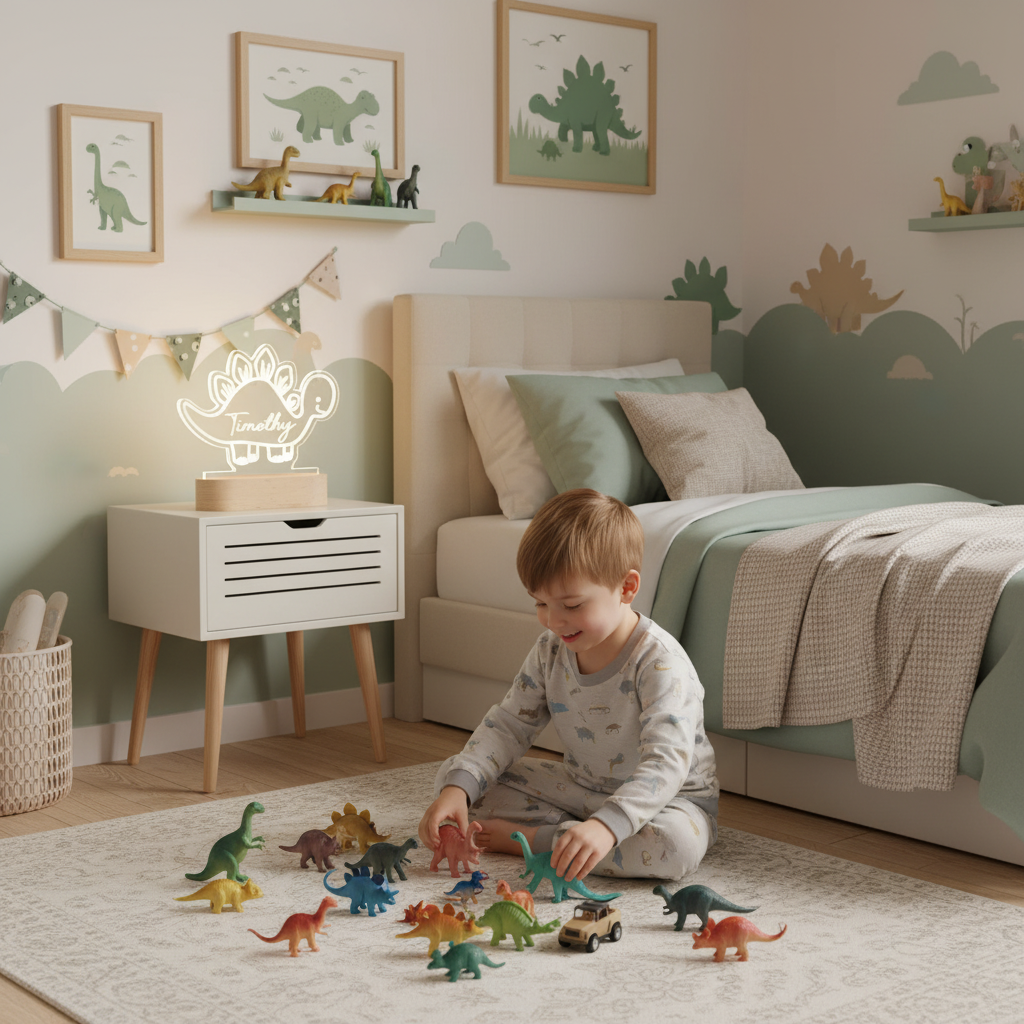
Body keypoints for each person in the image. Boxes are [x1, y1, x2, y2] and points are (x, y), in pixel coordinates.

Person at [418, 488, 718, 884]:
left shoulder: (661, 663)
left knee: (674, 848)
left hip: (669, 802)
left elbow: (666, 764)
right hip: (581, 789)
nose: (553, 621)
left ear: (627, 588)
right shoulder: (550, 649)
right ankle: (576, 836)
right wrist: (457, 791)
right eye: (540, 603)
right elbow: (509, 725)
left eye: (572, 605)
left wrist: (607, 826)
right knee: (455, 779)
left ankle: (537, 841)